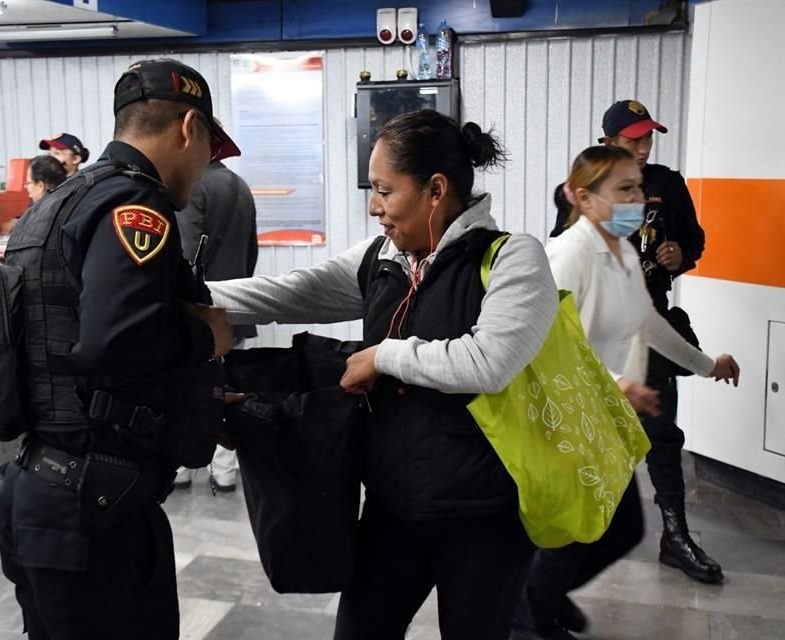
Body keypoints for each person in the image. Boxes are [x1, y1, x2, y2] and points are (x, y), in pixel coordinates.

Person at [209, 109, 560, 640]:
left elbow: (489, 361)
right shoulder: (385, 257)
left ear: (435, 190)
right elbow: (296, 291)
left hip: (483, 519)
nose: (374, 206)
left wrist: (383, 355)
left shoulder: (512, 258)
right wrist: (195, 298)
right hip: (394, 509)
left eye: (383, 190)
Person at [0, 58, 240, 640]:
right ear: (188, 130)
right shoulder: (136, 207)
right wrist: (209, 335)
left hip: (41, 491)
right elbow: (116, 343)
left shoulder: (55, 204)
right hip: (93, 510)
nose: (203, 171)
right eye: (209, 150)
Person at [512, 145, 741, 640]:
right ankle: (529, 620)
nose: (638, 199)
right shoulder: (568, 255)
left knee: (614, 529)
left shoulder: (622, 254)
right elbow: (550, 344)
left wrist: (708, 365)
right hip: (562, 420)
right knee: (581, 533)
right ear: (583, 197)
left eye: (638, 187)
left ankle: (542, 600)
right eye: (624, 189)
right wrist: (619, 384)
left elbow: (648, 323)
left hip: (600, 418)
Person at [550, 100, 721, 585]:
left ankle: (675, 536)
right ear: (608, 144)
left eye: (648, 139)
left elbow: (695, 242)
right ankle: (553, 570)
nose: (643, 149)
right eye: (633, 140)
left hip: (648, 318)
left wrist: (680, 255)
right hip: (599, 332)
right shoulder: (582, 196)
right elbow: (564, 280)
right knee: (590, 452)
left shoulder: (668, 183)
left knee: (663, 436)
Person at [173, 147, 258, 492]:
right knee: (228, 383)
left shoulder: (194, 186)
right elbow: (251, 249)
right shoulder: (240, 185)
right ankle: (224, 471)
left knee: (188, 383)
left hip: (201, 308)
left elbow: (186, 252)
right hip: (235, 302)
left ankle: (180, 466)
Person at [0, 155, 69, 260]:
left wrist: (11, 254)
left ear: (41, 186)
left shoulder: (43, 216)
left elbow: (33, 257)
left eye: (28, 183)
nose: (26, 188)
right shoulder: (71, 204)